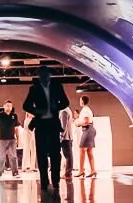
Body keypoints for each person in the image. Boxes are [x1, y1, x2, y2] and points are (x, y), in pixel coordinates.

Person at [23, 63, 70, 193]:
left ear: (49, 75)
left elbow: (66, 102)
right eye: (41, 75)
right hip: (41, 124)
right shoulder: (34, 89)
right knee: (41, 154)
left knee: (55, 154)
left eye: (46, 75)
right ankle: (44, 181)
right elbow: (25, 106)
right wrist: (37, 111)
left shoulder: (57, 86)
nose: (44, 77)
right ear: (39, 76)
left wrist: (56, 106)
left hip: (53, 124)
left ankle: (55, 181)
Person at [0, 101, 20, 179]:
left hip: (12, 139)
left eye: (10, 106)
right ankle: (0, 171)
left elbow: (16, 128)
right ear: (4, 106)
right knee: (2, 157)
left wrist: (18, 138)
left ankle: (15, 172)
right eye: (7, 106)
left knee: (13, 156)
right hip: (2, 139)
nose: (9, 107)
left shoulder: (14, 116)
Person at [74, 95, 97, 178]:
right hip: (90, 129)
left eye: (80, 100)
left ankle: (81, 170)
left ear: (82, 101)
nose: (79, 102)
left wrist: (78, 123)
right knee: (89, 151)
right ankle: (93, 170)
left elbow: (86, 122)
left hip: (87, 130)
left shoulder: (85, 110)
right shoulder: (87, 109)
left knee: (82, 150)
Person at [57, 102, 75, 181]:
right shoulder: (68, 110)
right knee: (69, 155)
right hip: (68, 136)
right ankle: (68, 173)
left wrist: (61, 136)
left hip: (66, 137)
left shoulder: (64, 111)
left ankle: (68, 173)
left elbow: (63, 126)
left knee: (68, 156)